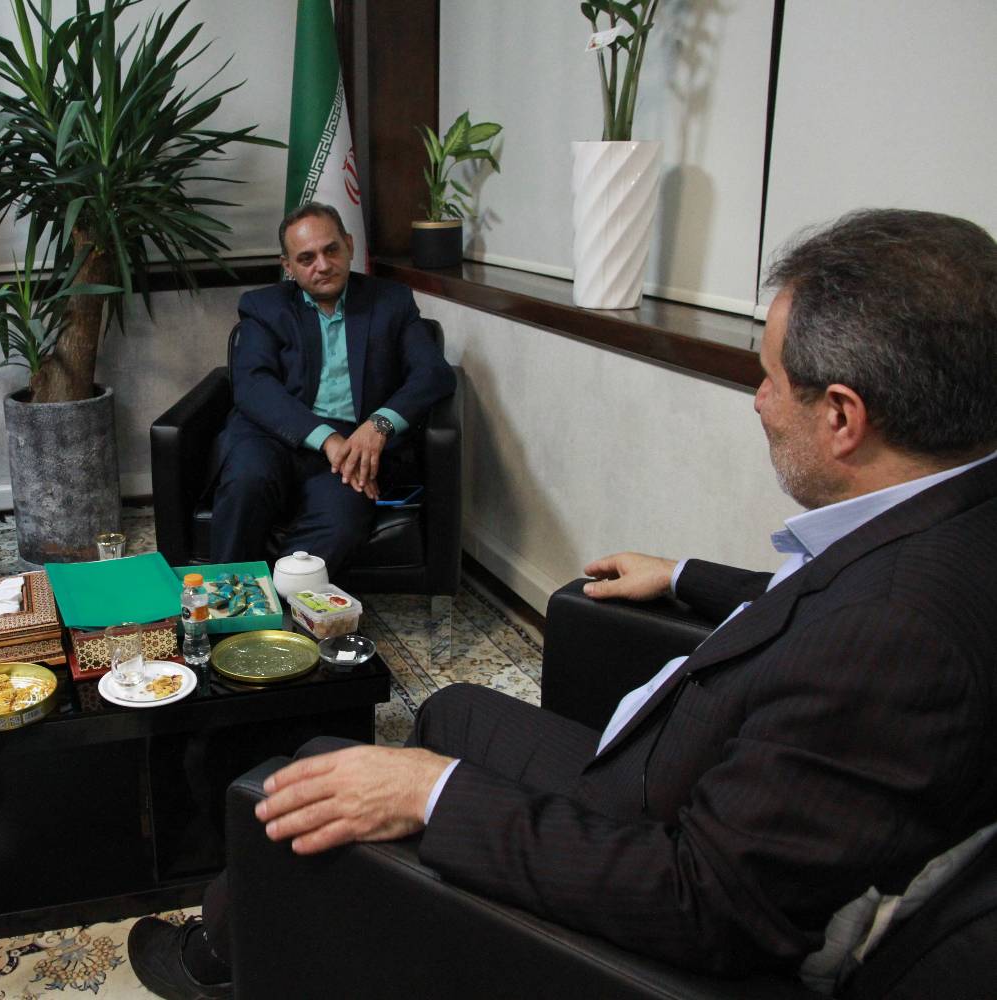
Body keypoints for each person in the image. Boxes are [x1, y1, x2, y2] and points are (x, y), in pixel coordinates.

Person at [128, 207, 997, 997]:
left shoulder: (899, 638)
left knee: (309, 778)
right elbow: (820, 594)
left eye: (767, 377)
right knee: (452, 710)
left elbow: (702, 903)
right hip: (657, 771)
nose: (759, 400)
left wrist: (435, 797)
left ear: (843, 416)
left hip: (645, 842)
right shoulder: (942, 518)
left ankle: (223, 964)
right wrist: (684, 575)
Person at [209, 203, 455, 577]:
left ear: (350, 245)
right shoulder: (264, 306)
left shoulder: (391, 301)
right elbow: (254, 385)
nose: (322, 265)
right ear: (288, 266)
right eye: (306, 258)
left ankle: (277, 601)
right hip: (272, 436)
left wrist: (379, 425)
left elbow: (433, 373)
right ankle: (223, 596)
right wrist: (326, 439)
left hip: (353, 445)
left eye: (331, 250)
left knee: (343, 523)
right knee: (247, 480)